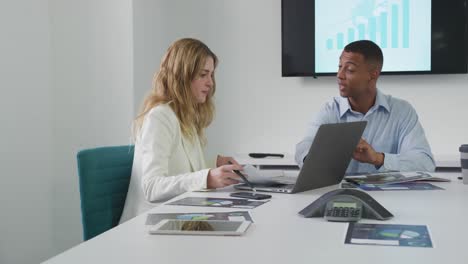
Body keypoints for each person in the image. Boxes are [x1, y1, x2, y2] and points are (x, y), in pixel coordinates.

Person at [120, 38, 241, 223]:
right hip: (148, 226)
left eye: (211, 75)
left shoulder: (184, 116)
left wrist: (213, 163)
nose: (210, 83)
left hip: (176, 218)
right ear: (182, 77)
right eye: (203, 75)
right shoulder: (159, 117)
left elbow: (180, 166)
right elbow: (152, 187)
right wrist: (207, 178)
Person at [295, 40, 436, 174]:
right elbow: (304, 146)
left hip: (391, 198)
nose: (339, 75)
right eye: (339, 67)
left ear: (373, 74)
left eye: (349, 69)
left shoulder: (402, 111)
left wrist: (378, 158)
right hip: (342, 196)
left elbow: (425, 164)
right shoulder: (331, 110)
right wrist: (314, 160)